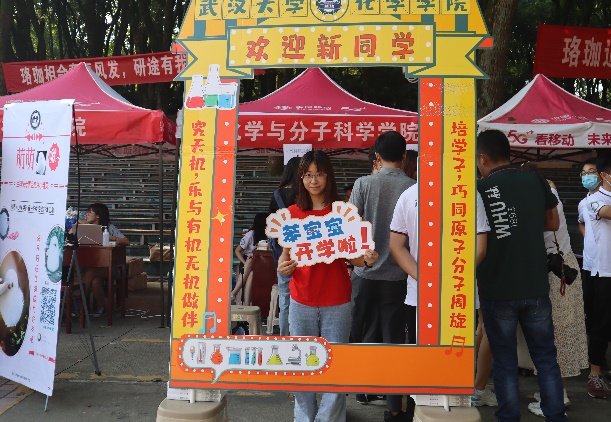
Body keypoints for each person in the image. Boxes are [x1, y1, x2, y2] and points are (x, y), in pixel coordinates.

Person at [277, 150, 379, 422]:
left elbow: (354, 257)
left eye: (319, 174)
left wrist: (367, 260)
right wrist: (282, 267)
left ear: (328, 177)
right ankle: (305, 417)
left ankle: (327, 419)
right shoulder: (291, 214)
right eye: (308, 175)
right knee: (301, 364)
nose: (313, 181)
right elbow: (285, 258)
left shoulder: (342, 214)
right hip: (302, 299)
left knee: (336, 365)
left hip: (337, 300)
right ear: (301, 178)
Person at [476, 129, 566, 421]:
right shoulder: (535, 180)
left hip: (497, 286)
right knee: (546, 358)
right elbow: (552, 222)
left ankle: (508, 417)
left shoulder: (479, 189)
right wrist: (524, 224)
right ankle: (556, 416)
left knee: (504, 362)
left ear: (482, 158)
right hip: (535, 283)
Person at [389, 183, 492, 408]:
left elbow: (396, 246)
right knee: (456, 364)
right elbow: (481, 248)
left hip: (423, 296)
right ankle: (451, 410)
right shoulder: (468, 193)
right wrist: (452, 279)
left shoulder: (409, 194)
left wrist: (426, 279)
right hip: (458, 295)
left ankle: (424, 413)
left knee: (424, 366)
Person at [349, 131, 417, 422]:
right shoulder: (414, 188)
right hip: (399, 276)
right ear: (404, 156)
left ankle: (356, 389)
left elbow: (350, 226)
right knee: (393, 341)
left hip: (364, 273)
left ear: (376, 156)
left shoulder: (363, 184)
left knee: (358, 334)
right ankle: (393, 407)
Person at [520, 163, 588, 415]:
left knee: (554, 336)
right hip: (563, 269)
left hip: (556, 274)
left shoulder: (540, 201)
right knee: (558, 333)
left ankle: (556, 398)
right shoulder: (551, 193)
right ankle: (555, 392)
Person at [582, 151, 611, 399]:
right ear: (604, 175)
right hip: (603, 270)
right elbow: (606, 212)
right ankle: (595, 374)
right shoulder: (593, 199)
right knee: (600, 323)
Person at [75, 203, 130, 317]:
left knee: (89, 273)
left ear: (98, 215)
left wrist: (109, 236)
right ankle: (101, 306)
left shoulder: (108, 227)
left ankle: (80, 305)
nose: (87, 214)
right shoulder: (86, 227)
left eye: (90, 212)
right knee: (95, 281)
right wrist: (76, 225)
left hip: (107, 266)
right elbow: (71, 234)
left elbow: (126, 241)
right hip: (89, 263)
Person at [269, 156, 300, 336]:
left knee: (285, 297)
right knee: (301, 297)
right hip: (304, 251)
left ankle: (284, 336)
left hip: (282, 252)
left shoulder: (277, 195)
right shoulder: (304, 194)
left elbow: (271, 224)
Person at [577, 157, 601, 333]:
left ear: (602, 175)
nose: (587, 177)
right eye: (584, 173)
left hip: (606, 265)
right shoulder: (583, 203)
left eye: (591, 172)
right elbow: (581, 222)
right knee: (591, 307)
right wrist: (589, 238)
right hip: (589, 263)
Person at [231, 212, 268, 306]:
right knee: (251, 270)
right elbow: (237, 250)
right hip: (248, 261)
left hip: (263, 262)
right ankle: (247, 305)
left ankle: (234, 293)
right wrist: (244, 262)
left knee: (251, 267)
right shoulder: (251, 234)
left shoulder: (270, 235)